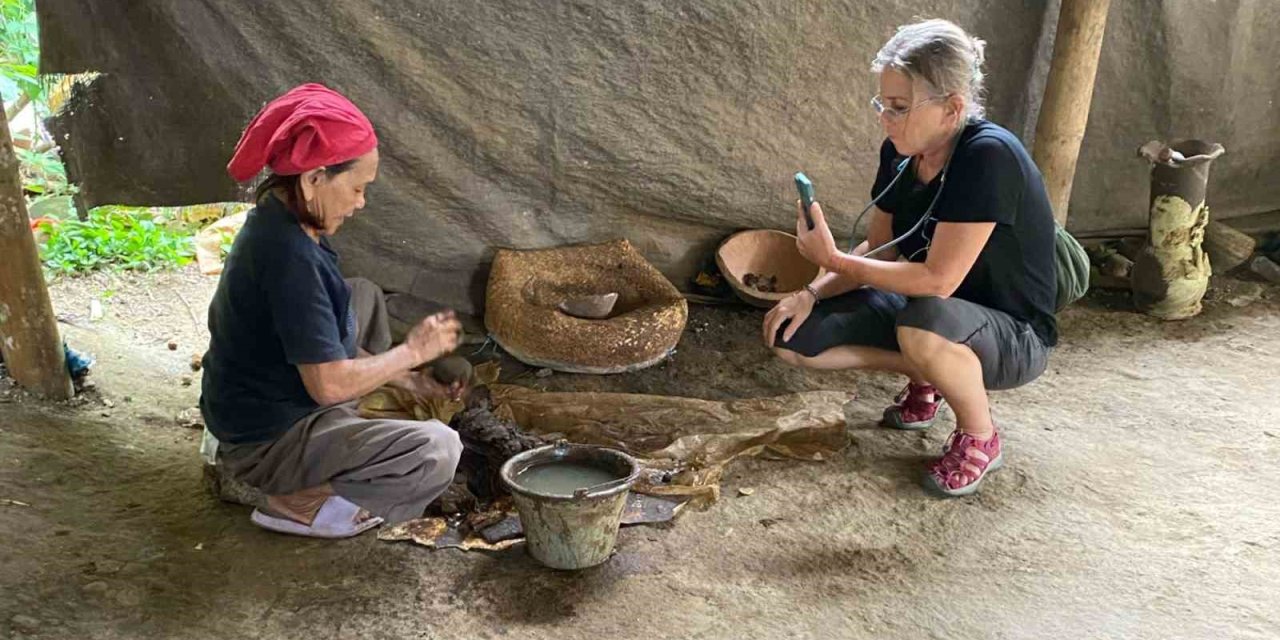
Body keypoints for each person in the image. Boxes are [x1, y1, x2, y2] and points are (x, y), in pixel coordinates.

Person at [764, 20, 1058, 497]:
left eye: (899, 108)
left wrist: (834, 261)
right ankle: (931, 374)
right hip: (927, 315)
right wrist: (810, 292)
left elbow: (939, 280)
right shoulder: (901, 153)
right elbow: (880, 250)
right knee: (792, 337)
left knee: (923, 321)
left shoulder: (989, 157)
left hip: (1013, 335)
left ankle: (981, 435)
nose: (885, 118)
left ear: (952, 108)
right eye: (882, 104)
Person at [200, 83, 466, 538]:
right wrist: (411, 352)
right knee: (439, 450)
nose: (361, 202)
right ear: (314, 178)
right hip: (265, 440)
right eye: (358, 188)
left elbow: (320, 338)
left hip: (249, 402)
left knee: (359, 294)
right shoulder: (289, 260)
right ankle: (297, 500)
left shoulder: (278, 216)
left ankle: (338, 440)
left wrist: (412, 380)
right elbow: (327, 385)